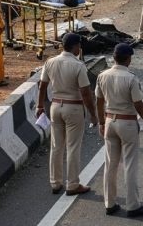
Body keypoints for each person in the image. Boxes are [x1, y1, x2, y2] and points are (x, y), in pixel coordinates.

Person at [96, 43, 143, 218]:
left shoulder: (102, 75)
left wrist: (101, 122)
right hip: (127, 123)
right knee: (130, 165)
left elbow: (99, 101)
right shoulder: (131, 78)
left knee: (110, 165)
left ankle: (110, 204)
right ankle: (133, 205)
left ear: (114, 57)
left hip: (109, 121)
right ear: (128, 59)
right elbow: (139, 105)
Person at [36, 33, 98, 195]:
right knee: (73, 147)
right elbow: (86, 93)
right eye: (79, 45)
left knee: (56, 146)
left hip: (55, 106)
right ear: (75, 46)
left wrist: (39, 105)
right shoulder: (78, 65)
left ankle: (55, 182)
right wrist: (93, 114)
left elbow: (42, 86)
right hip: (74, 108)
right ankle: (72, 184)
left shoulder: (50, 62)